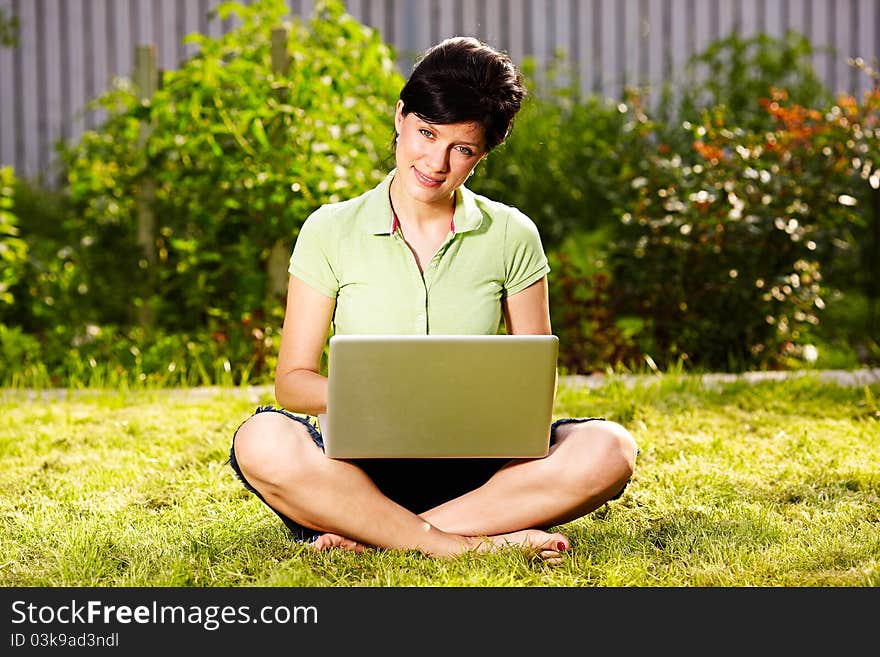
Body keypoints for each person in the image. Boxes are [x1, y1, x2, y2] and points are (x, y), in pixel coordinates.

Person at [229, 36, 638, 564]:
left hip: (484, 475)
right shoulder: (330, 229)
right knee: (260, 437)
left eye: (461, 148)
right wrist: (382, 397)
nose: (435, 162)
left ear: (484, 153)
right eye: (425, 133)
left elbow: (532, 385)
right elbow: (293, 382)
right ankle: (462, 545)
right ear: (401, 117)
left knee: (610, 448)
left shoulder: (512, 234)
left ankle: (381, 534)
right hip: (356, 468)